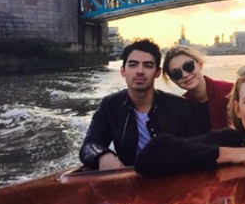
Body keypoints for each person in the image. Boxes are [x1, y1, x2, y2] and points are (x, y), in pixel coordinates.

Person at [79, 38, 205, 170]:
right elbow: (88, 146)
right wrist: (103, 156)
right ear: (123, 71)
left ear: (157, 73)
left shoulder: (181, 107)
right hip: (128, 178)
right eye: (133, 65)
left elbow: (199, 149)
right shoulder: (110, 106)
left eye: (148, 65)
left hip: (172, 177)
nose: (140, 71)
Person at [162, 45, 233, 131]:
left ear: (200, 64)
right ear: (172, 80)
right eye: (176, 73)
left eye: (188, 66)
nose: (185, 75)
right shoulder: (181, 107)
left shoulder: (229, 92)